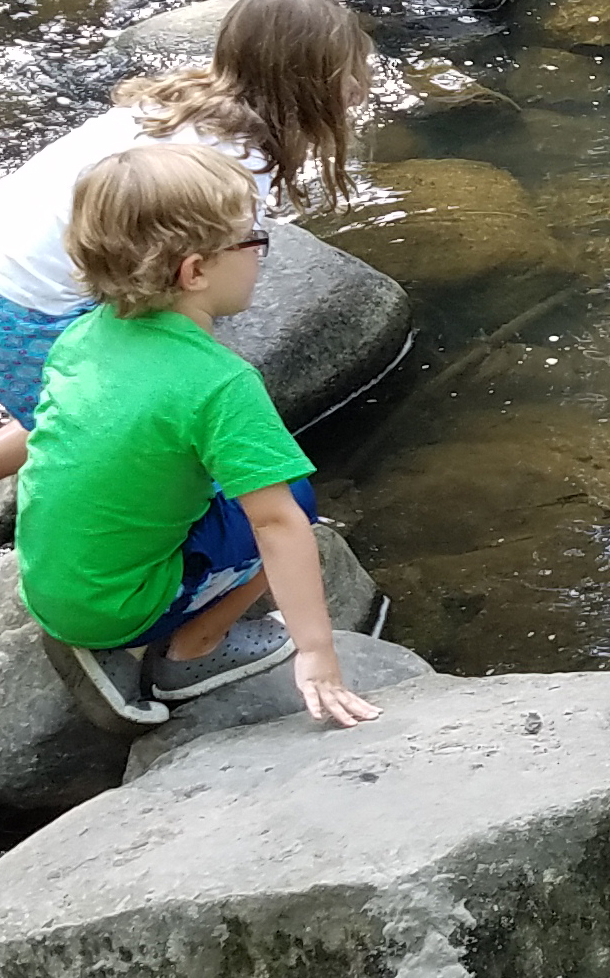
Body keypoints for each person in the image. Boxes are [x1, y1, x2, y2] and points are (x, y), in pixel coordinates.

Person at [0, 0, 370, 597]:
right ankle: (140, 594)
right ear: (309, 84)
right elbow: (185, 312)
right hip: (18, 306)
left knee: (95, 394)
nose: (360, 83)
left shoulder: (182, 101)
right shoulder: (236, 165)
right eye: (352, 71)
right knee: (137, 426)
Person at [22, 141, 379, 731]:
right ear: (195, 271)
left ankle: (101, 627)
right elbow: (276, 522)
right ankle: (192, 649)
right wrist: (317, 653)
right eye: (252, 241)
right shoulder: (219, 384)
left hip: (49, 584)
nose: (262, 254)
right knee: (299, 501)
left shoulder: (83, 336)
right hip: (120, 608)